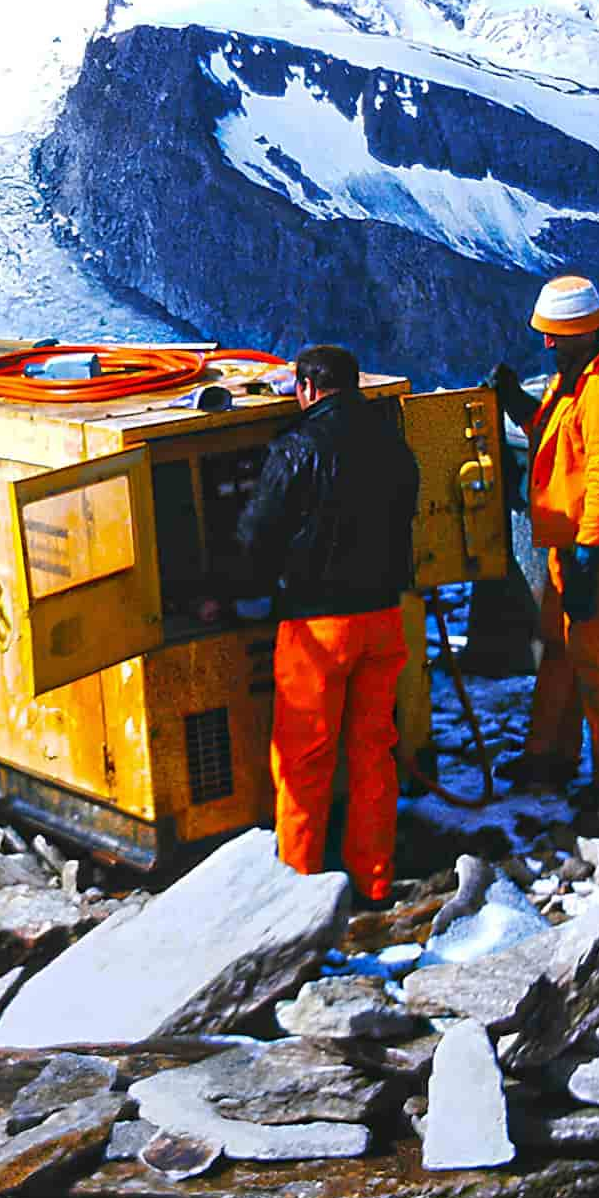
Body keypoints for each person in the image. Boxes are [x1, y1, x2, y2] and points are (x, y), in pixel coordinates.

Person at [233, 344, 421, 903]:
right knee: (374, 753)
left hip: (317, 627)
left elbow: (256, 535)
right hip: (385, 618)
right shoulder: (393, 442)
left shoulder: (295, 448)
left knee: (304, 760)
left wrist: (233, 594)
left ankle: (299, 890)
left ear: (306, 389)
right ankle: (375, 878)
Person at [490, 275, 599, 813]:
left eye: (555, 334)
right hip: (574, 542)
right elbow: (557, 434)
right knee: (562, 650)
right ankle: (549, 756)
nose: (546, 343)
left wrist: (591, 556)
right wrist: (517, 402)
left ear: (583, 332)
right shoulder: (580, 374)